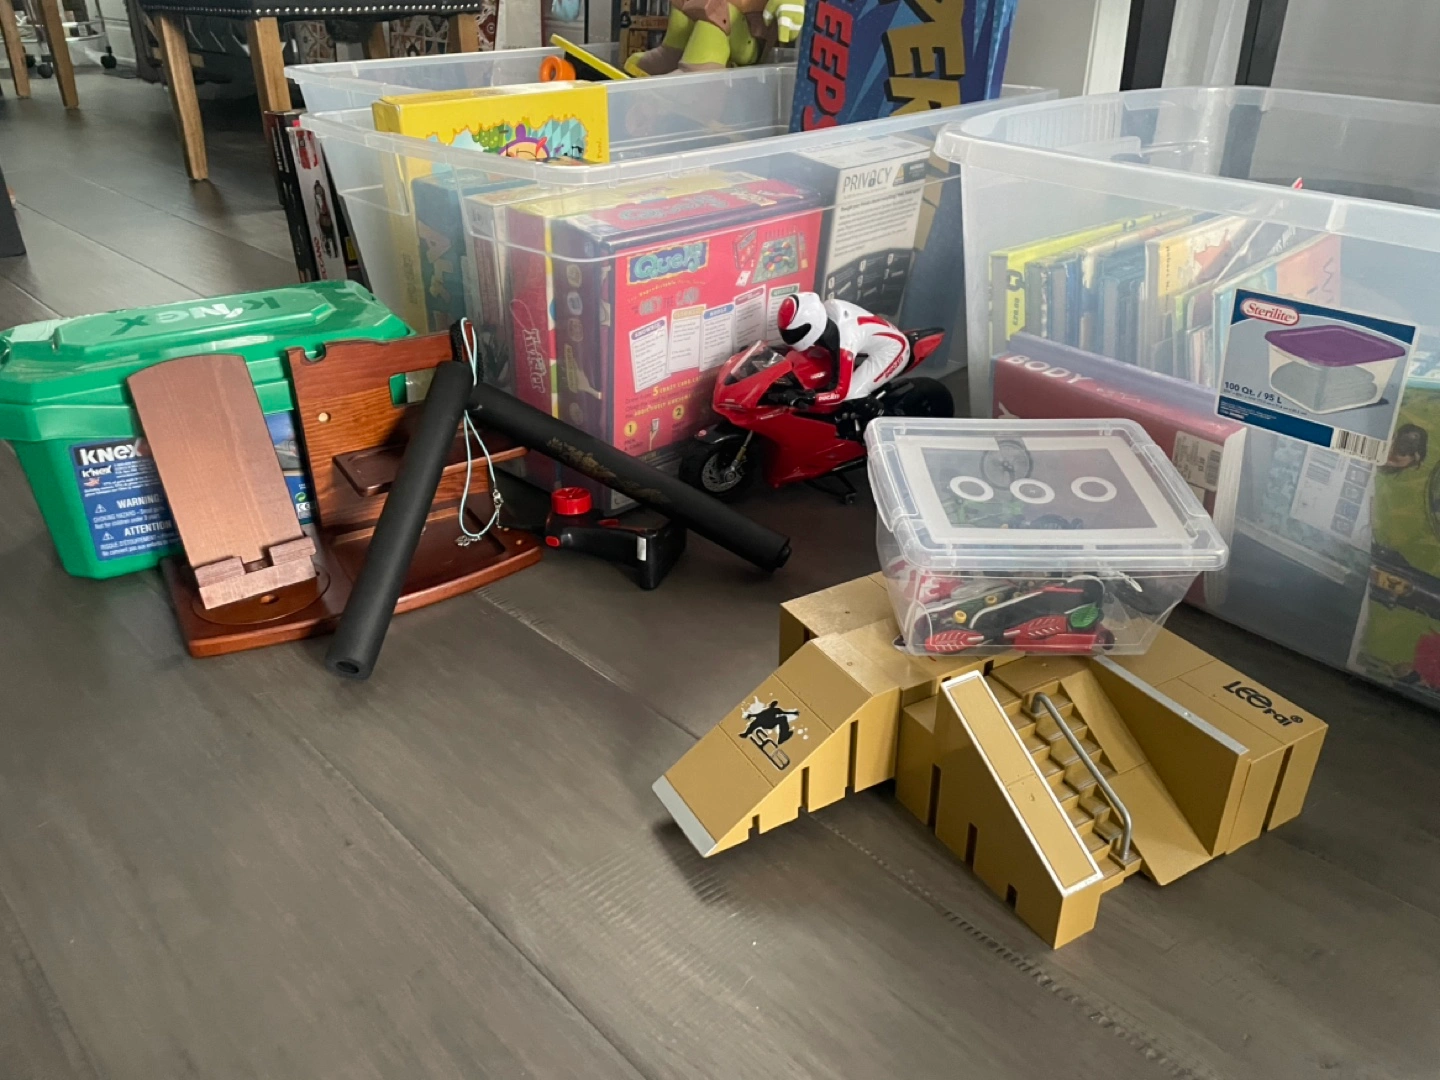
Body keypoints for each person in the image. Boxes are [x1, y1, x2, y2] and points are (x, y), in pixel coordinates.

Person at [775, 292, 911, 408]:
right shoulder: (825, 310)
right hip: (872, 338)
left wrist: (809, 398)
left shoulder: (846, 341)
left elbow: (840, 394)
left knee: (852, 394)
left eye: (794, 333)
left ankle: (873, 420)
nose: (790, 336)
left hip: (892, 349)